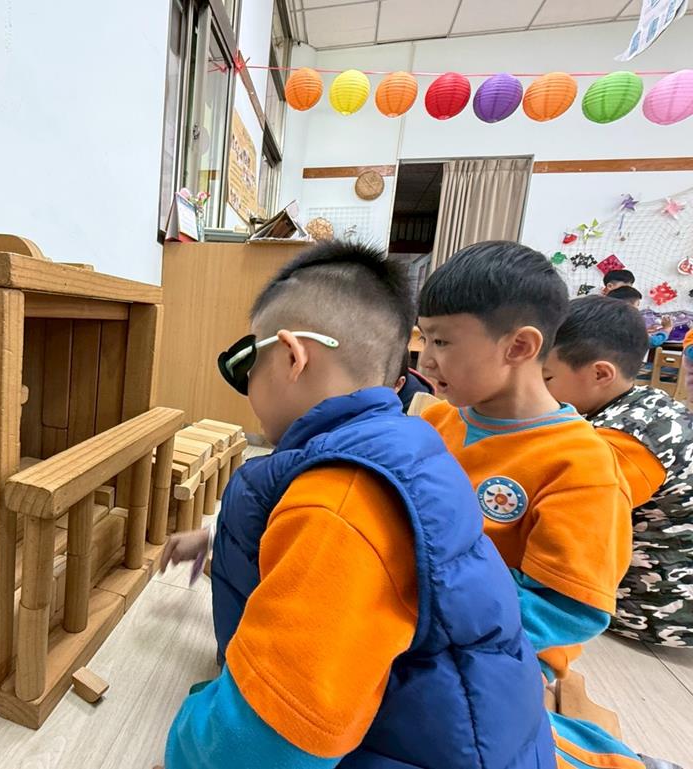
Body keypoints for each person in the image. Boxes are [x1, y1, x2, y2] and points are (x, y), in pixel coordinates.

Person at [160, 241, 553, 768]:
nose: (246, 383)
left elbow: (267, 745)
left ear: (292, 356)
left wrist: (189, 741)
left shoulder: (340, 501)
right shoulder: (393, 444)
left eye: (248, 362)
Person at [416, 241, 667, 769]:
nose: (426, 359)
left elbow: (570, 607)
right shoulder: (436, 421)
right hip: (415, 620)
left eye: (441, 341)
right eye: (423, 338)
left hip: (502, 654)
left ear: (520, 346)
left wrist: (433, 627)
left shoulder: (582, 464)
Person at [543, 296, 693, 648]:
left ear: (600, 374)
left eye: (546, 376)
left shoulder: (628, 440)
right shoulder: (639, 403)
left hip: (655, 605)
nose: (534, 386)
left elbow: (572, 518)